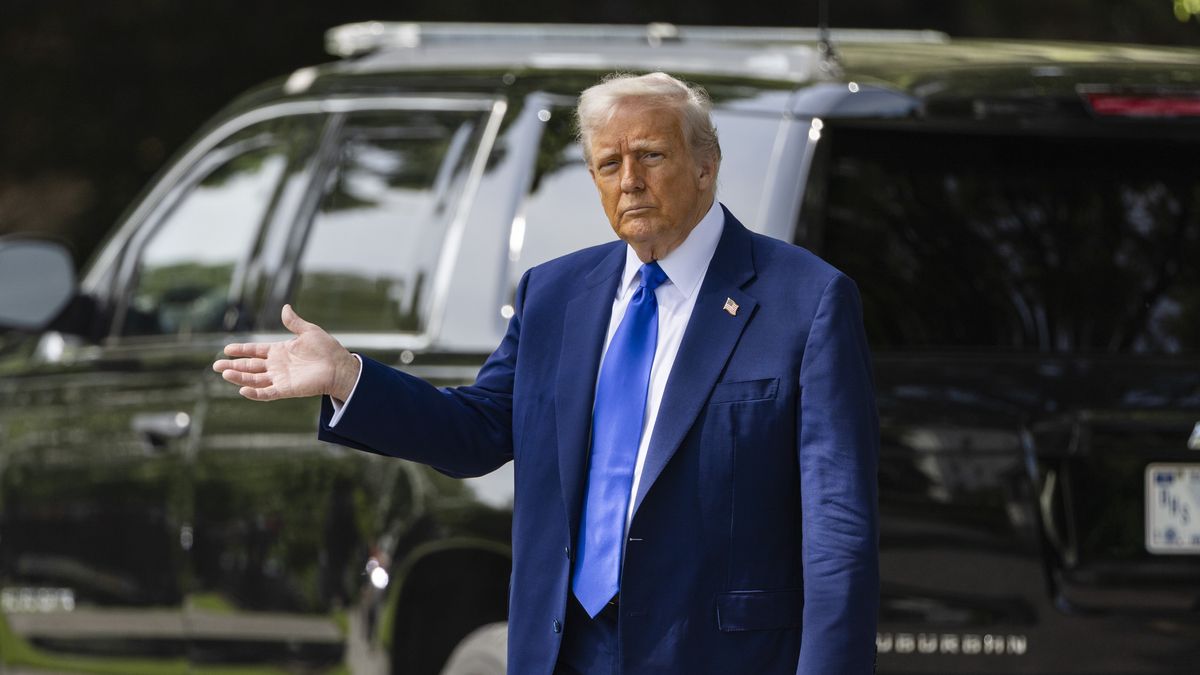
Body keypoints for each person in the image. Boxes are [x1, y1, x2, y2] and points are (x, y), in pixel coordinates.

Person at [214, 71, 879, 675]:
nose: (629, 180)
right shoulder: (554, 294)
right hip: (565, 650)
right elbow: (478, 430)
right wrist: (348, 377)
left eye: (651, 155)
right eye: (609, 163)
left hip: (718, 654)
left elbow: (838, 531)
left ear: (706, 166)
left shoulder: (806, 301)